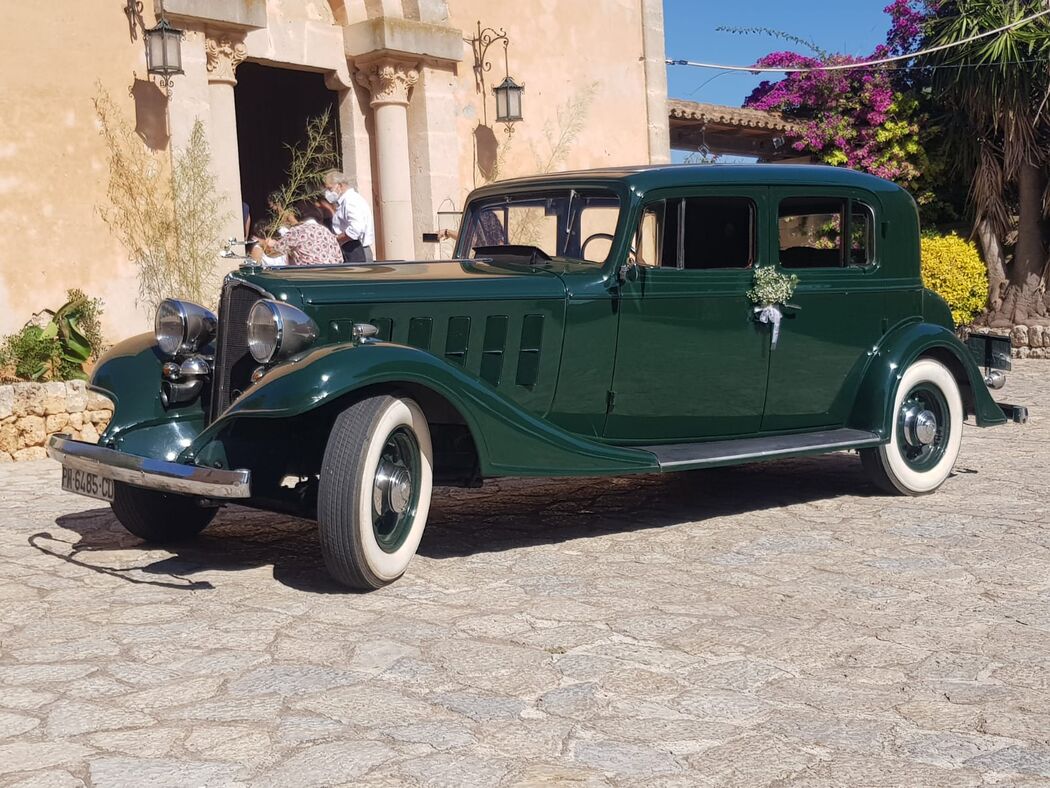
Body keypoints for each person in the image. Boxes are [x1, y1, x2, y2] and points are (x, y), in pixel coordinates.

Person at [262, 199, 342, 266]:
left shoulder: (297, 232)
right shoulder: (326, 231)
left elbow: (272, 252)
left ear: (295, 215)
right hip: (334, 275)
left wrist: (269, 243)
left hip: (309, 276)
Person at [323, 170, 375, 262]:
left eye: (330, 189)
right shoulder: (346, 201)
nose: (328, 193)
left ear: (340, 185)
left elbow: (356, 229)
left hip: (357, 251)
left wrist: (336, 239)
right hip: (351, 249)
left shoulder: (351, 201)